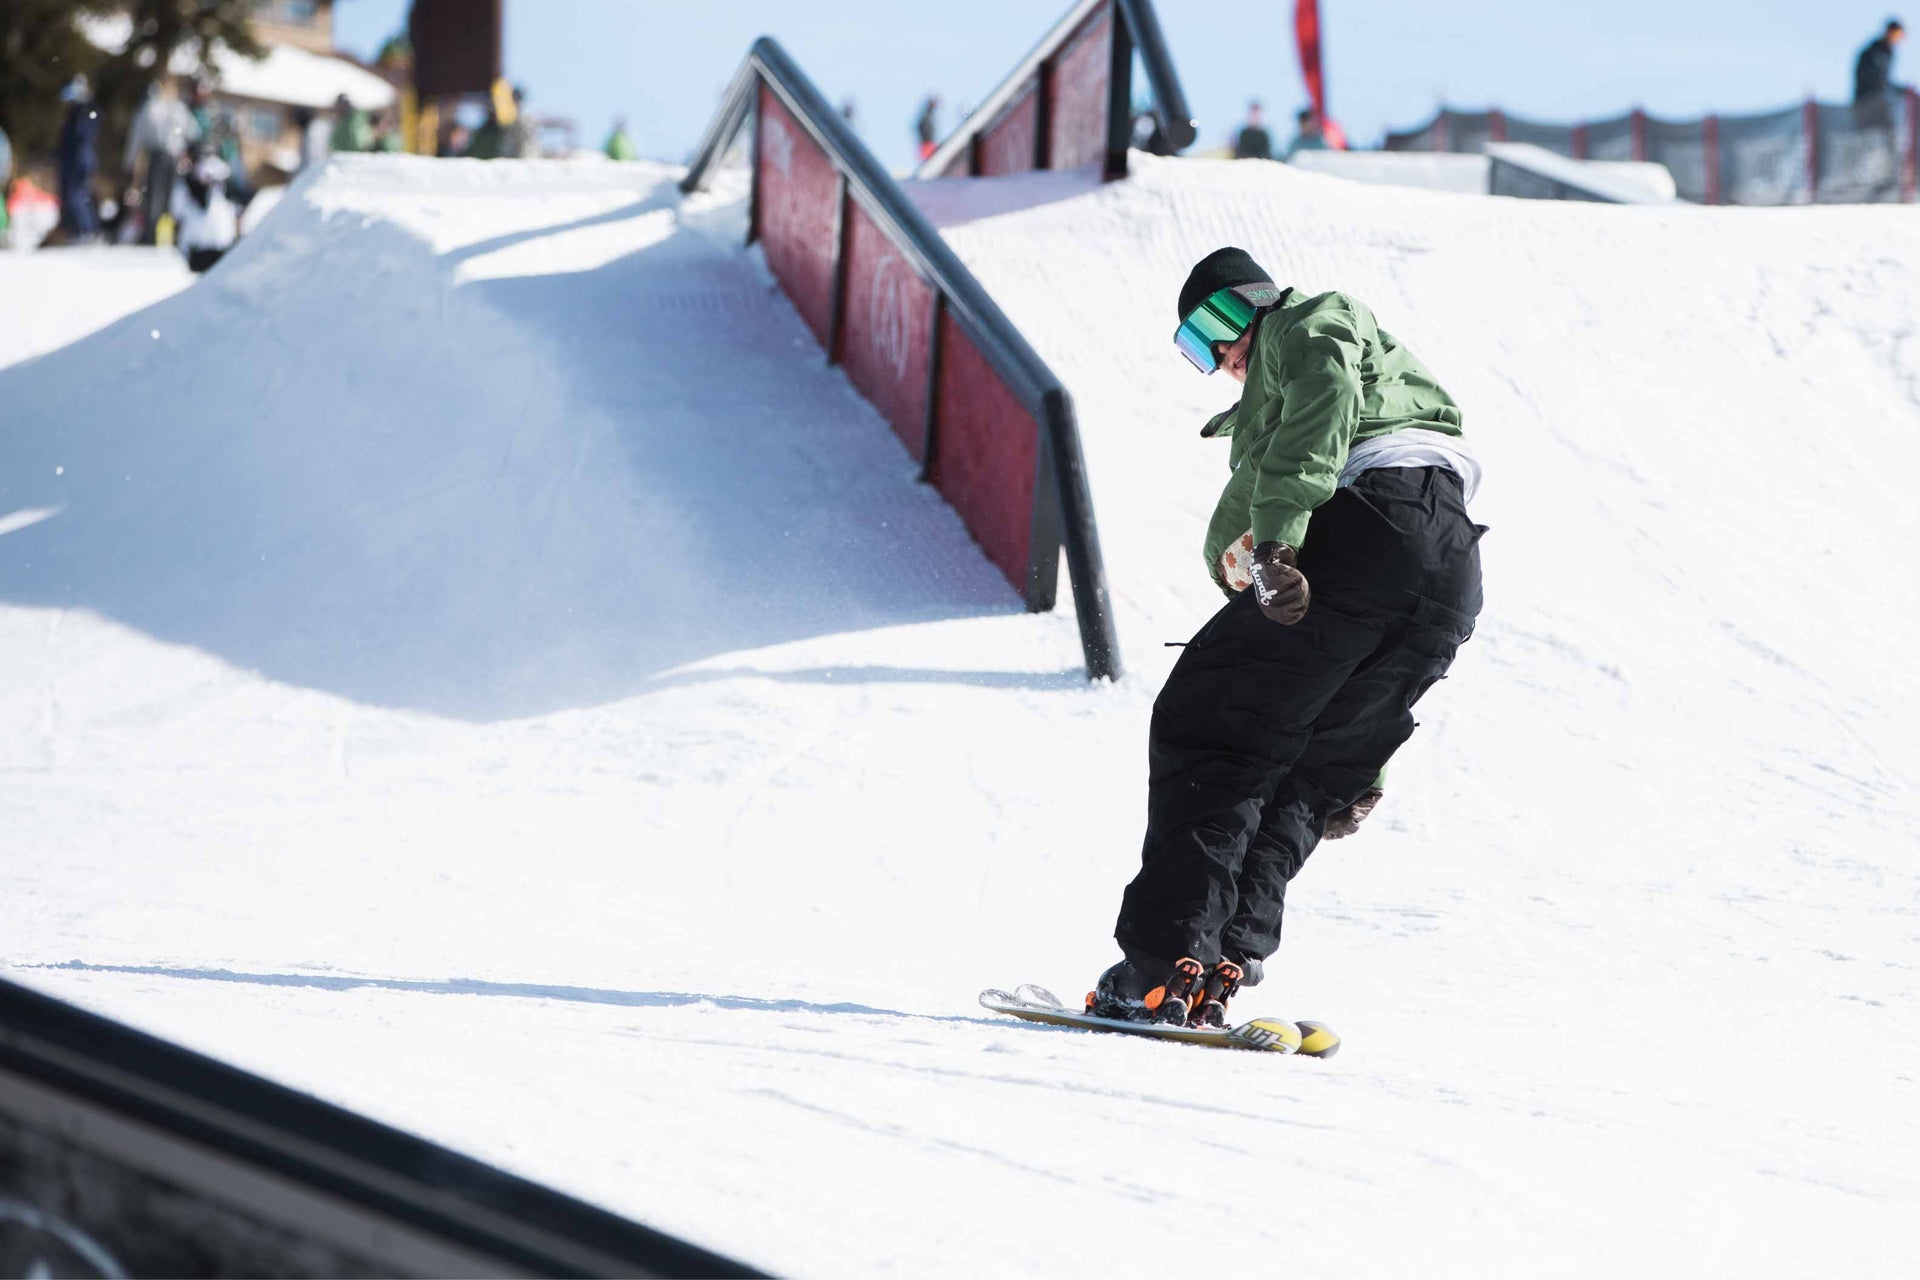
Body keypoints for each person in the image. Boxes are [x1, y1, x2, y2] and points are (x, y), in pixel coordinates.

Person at [1086, 247, 1485, 1028]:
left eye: (1214, 330)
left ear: (1252, 303)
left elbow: (1324, 405)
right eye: (1195, 350)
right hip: (1448, 569)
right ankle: (1221, 963)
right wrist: (1357, 754)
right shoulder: (1292, 384)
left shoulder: (1309, 323)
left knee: (1209, 728)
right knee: (1302, 766)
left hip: (1373, 522)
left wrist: (1276, 542)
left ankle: (1163, 968)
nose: (1218, 358)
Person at [124, 79, 200, 244]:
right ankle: (165, 237)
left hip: (158, 158)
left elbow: (136, 138)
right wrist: (188, 151)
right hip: (174, 159)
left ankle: (152, 237)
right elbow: (193, 131)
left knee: (154, 199)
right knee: (170, 199)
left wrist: (130, 161)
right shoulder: (177, 108)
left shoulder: (148, 109)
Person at [169, 142, 238, 272]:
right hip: (221, 247)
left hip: (198, 248)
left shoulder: (184, 182)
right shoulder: (225, 178)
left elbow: (176, 214)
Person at [57, 77, 102, 244]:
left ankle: (87, 230)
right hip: (73, 162)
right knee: (72, 196)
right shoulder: (74, 115)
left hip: (81, 162)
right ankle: (78, 230)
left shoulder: (86, 113)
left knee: (78, 196)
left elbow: (83, 137)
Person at [1854, 19, 1907, 131]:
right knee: (1889, 128)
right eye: (1897, 34)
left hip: (1875, 99)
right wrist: (1901, 91)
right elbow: (1880, 79)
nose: (1898, 39)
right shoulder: (1877, 51)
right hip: (1867, 99)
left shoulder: (1886, 51)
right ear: (1890, 32)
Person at [915, 95, 940, 160]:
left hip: (928, 144)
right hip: (927, 144)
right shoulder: (926, 117)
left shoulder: (928, 115)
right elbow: (921, 126)